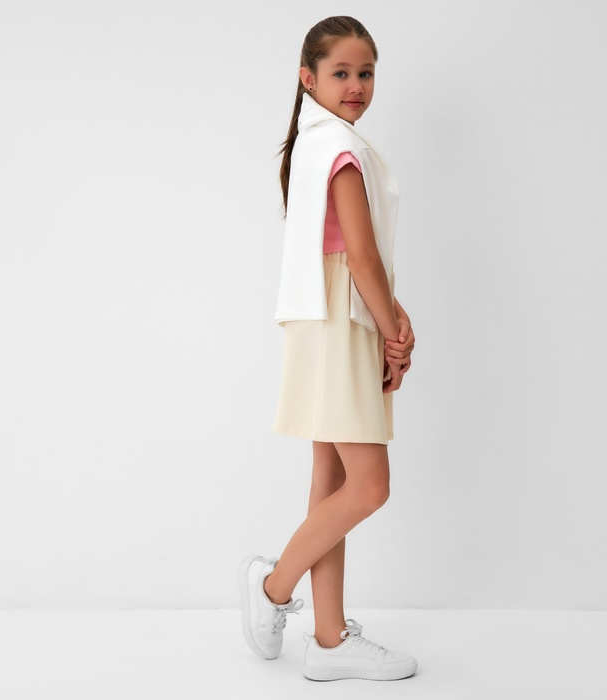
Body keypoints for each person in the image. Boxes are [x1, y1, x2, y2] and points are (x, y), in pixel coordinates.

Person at [239, 16, 417, 682]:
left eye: (365, 72)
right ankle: (273, 588)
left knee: (333, 484)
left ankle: (328, 639)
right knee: (369, 487)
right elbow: (362, 259)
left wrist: (394, 316)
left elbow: (349, 257)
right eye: (341, 72)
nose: (356, 85)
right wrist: (392, 333)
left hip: (324, 320)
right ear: (307, 78)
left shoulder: (314, 144)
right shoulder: (339, 148)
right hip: (340, 324)